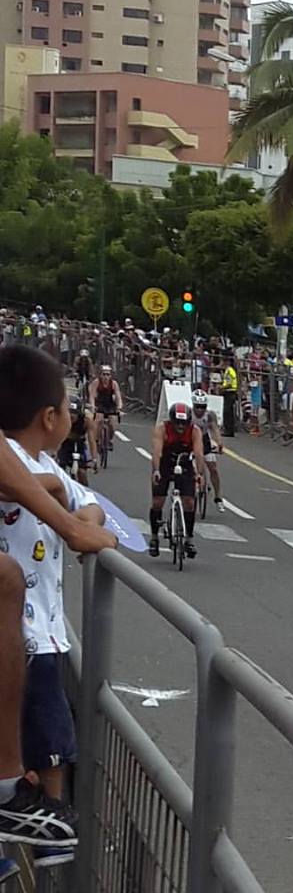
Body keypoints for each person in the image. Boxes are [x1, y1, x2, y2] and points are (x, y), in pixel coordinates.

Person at [0, 345, 108, 862]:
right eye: (68, 408)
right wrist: (61, 504)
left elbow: (89, 506)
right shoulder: (21, 461)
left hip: (44, 626)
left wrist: (78, 517)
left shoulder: (44, 464)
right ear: (50, 417)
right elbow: (48, 493)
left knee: (52, 731)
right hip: (26, 631)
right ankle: (47, 822)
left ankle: (42, 821)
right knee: (47, 733)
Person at [148, 403, 205, 558]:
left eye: (183, 423)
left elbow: (199, 454)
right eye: (177, 423)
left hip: (184, 462)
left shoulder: (195, 431)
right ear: (172, 421)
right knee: (157, 502)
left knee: (189, 502)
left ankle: (189, 539)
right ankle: (154, 536)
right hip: (165, 462)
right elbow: (157, 453)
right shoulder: (162, 429)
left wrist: (199, 474)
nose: (180, 426)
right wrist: (157, 471)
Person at [191, 390, 225, 513]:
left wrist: (219, 444)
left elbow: (215, 430)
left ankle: (218, 497)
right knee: (191, 467)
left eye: (202, 407)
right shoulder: (189, 414)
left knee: (213, 468)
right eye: (197, 407)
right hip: (191, 441)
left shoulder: (209, 415)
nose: (200, 410)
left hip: (205, 441)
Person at [55, 396, 98, 486]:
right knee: (60, 468)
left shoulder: (86, 420)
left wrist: (94, 459)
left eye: (75, 414)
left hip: (79, 444)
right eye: (69, 413)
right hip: (64, 443)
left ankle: (85, 492)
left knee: (82, 472)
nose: (72, 417)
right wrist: (54, 452)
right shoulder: (60, 419)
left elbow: (91, 440)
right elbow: (55, 436)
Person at [88, 364, 123, 452]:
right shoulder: (96, 382)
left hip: (110, 404)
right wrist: (92, 406)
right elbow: (92, 395)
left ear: (110, 376)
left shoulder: (114, 384)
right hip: (99, 403)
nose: (106, 377)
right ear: (100, 375)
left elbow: (118, 397)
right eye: (104, 374)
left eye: (108, 374)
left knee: (112, 424)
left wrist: (119, 407)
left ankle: (110, 440)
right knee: (98, 420)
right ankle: (96, 440)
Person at [221, 353, 239, 437]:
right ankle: (229, 430)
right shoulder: (232, 370)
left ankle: (228, 430)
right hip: (232, 392)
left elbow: (229, 382)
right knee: (230, 412)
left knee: (227, 412)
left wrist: (222, 387)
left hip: (229, 391)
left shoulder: (229, 370)